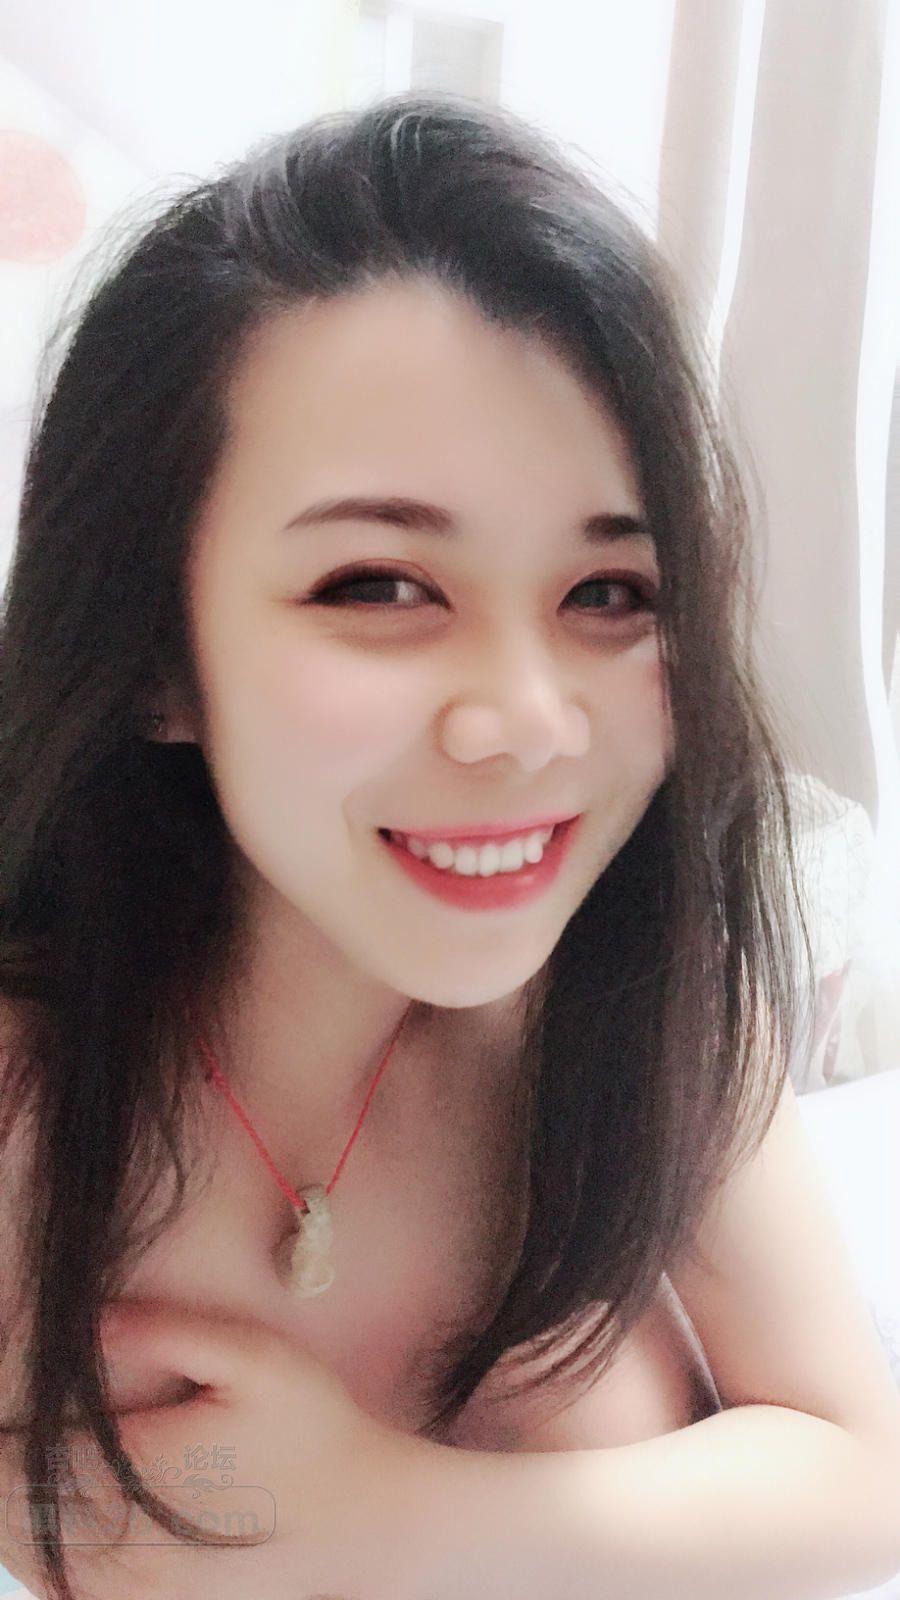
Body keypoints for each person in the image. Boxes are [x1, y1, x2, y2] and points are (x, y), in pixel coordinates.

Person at [3, 92, 898, 1600]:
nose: (528, 722)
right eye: (378, 586)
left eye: (608, 594)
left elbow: (868, 1477)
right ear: (156, 650)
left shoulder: (652, 998)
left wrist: (383, 1514)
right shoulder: (37, 1106)